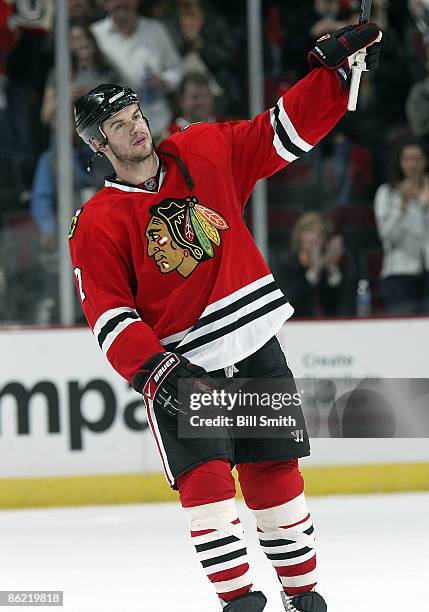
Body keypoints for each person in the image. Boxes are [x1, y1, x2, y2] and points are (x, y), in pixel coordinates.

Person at [70, 23, 382, 612]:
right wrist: (157, 372)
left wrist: (332, 75)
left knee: (275, 469)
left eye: (136, 113)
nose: (137, 126)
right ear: (99, 146)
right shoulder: (98, 222)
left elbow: (278, 133)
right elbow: (109, 315)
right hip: (184, 364)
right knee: (207, 484)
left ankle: (303, 596)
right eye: (118, 124)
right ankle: (239, 601)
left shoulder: (203, 150)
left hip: (254, 341)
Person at [91, 0, 182, 139]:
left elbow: (176, 69)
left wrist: (163, 81)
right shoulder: (95, 34)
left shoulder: (155, 29)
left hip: (156, 122)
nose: (121, 3)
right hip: (113, 129)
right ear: (105, 3)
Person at [374, 140, 429, 314]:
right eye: (407, 159)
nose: (413, 164)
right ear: (400, 162)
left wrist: (424, 205)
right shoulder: (387, 193)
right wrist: (402, 208)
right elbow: (387, 236)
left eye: (418, 159)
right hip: (399, 274)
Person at [280, 212, 344, 318]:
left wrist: (332, 268)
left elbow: (340, 306)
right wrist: (313, 272)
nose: (313, 238)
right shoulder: (288, 266)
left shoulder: (329, 268)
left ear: (325, 240)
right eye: (308, 232)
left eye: (319, 234)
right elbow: (292, 303)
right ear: (299, 236)